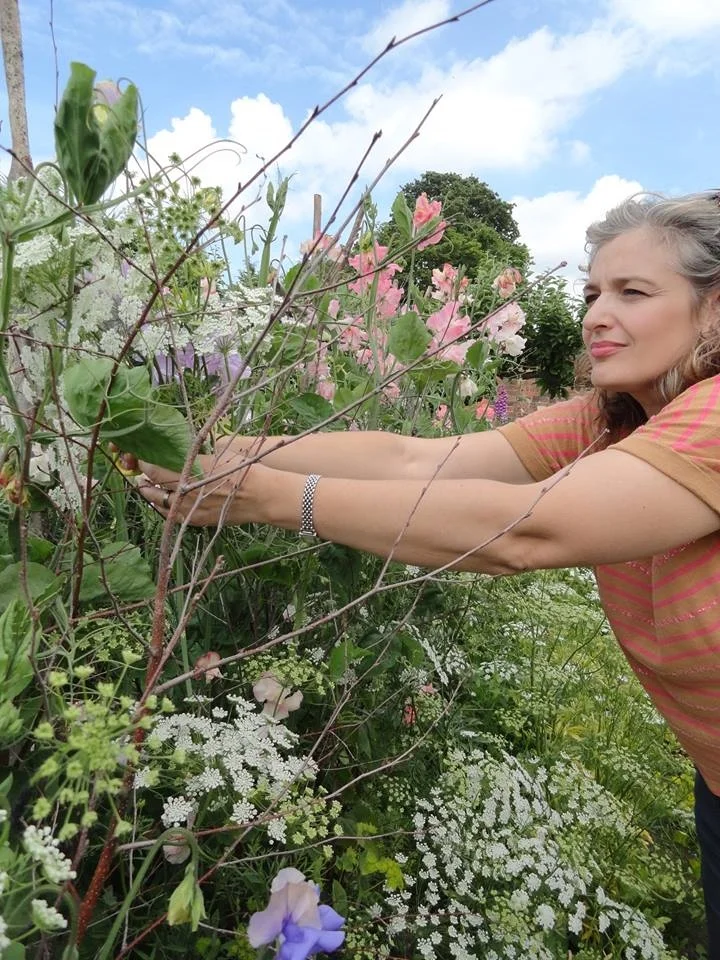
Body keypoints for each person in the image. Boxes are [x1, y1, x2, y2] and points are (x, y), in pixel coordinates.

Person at [138, 192, 720, 953]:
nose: (595, 315)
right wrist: (228, 450)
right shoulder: (616, 416)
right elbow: (416, 457)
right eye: (591, 293)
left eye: (633, 293)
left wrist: (275, 499)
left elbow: (527, 531)